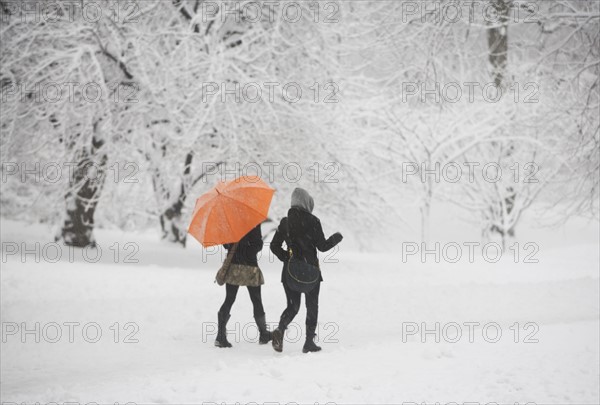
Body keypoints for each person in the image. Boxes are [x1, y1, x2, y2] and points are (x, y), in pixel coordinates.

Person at [270, 188, 343, 353]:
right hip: (311, 272)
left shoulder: (285, 222)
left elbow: (274, 246)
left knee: (293, 306)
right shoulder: (313, 221)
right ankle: (309, 342)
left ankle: (280, 330)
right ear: (306, 202)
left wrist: (287, 259)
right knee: (312, 306)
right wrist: (336, 238)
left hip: (290, 273)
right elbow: (323, 247)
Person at [215, 224, 272, 348]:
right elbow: (257, 245)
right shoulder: (254, 221)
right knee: (256, 300)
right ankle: (263, 334)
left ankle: (220, 336)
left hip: (234, 266)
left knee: (229, 299)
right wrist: (249, 248)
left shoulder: (231, 221)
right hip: (250, 266)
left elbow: (226, 244)